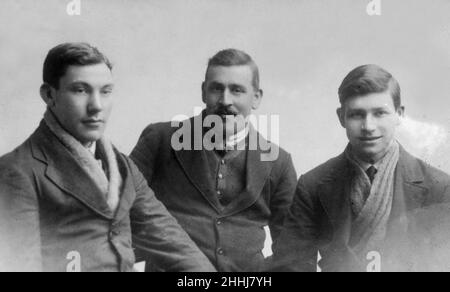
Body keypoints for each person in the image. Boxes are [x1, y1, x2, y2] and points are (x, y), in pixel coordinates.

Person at [0, 42, 216, 272]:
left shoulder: (122, 166)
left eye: (105, 91)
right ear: (49, 95)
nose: (96, 106)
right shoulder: (17, 171)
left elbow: (171, 241)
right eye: (80, 90)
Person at [130, 49, 297, 271]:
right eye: (217, 88)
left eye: (237, 90)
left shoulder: (278, 162)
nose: (225, 100)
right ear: (203, 92)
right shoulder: (161, 141)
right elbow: (119, 212)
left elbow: (294, 248)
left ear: (256, 98)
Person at [271, 64, 450, 272]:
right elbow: (291, 266)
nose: (368, 126)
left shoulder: (438, 187)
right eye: (357, 115)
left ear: (399, 114)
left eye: (380, 113)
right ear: (341, 117)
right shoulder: (313, 185)